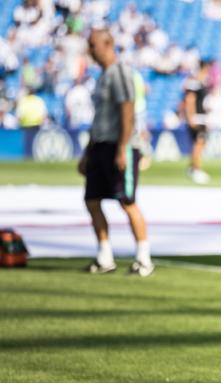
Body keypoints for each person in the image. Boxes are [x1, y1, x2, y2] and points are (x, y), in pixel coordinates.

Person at [78, 28, 153, 277]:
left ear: (108, 44)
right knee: (91, 200)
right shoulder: (102, 76)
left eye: (93, 44)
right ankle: (105, 256)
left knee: (127, 201)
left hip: (119, 145)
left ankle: (143, 258)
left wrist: (122, 147)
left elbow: (127, 109)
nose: (90, 50)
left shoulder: (120, 72)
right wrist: (88, 152)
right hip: (101, 145)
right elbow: (99, 118)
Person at [183, 59, 212, 184]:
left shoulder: (201, 83)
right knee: (199, 144)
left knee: (200, 144)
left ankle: (192, 168)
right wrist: (191, 117)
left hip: (201, 117)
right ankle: (196, 170)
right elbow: (190, 100)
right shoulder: (194, 83)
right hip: (197, 118)